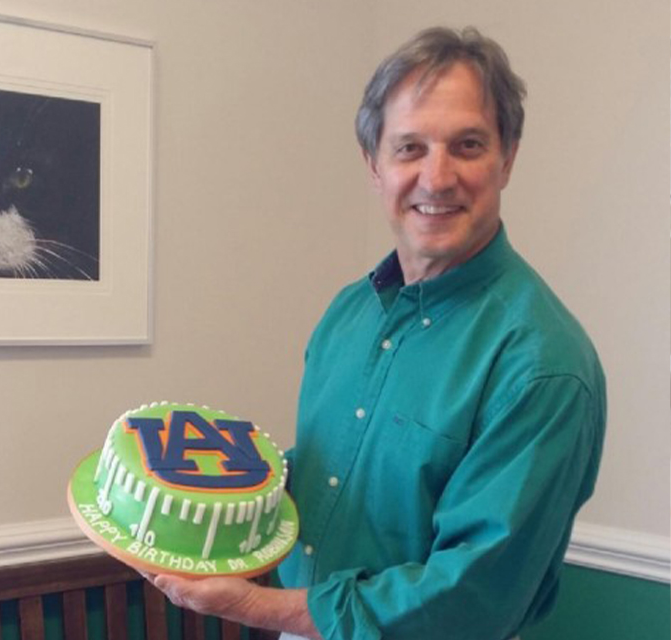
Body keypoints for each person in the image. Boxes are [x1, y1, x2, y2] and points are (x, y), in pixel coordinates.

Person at [144, 26, 606, 640]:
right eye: (410, 148)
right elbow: (323, 478)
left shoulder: (543, 364)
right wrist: (199, 493)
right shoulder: (347, 314)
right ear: (374, 164)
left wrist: (252, 608)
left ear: (508, 158)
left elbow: (468, 600)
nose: (437, 178)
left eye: (467, 145)